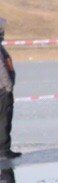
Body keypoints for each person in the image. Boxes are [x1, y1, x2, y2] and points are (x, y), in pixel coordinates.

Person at [0, 19, 18, 160]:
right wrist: (8, 87)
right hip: (3, 90)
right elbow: (2, 69)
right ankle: (4, 150)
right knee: (4, 120)